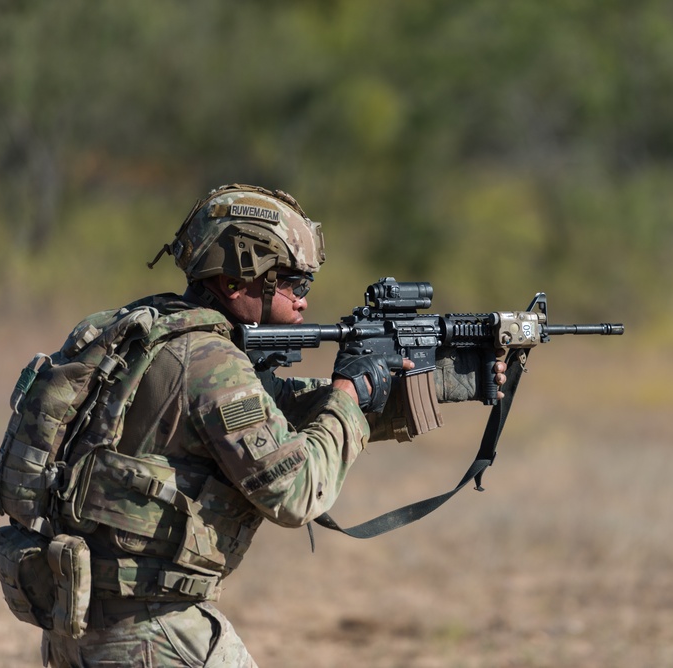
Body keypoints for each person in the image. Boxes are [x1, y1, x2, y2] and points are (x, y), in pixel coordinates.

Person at [36, 184, 507, 667]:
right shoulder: (210, 360)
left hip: (79, 623)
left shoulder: (144, 332)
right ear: (237, 284)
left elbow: (272, 409)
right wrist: (347, 394)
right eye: (292, 285)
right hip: (154, 632)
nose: (303, 302)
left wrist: (444, 380)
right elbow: (295, 492)